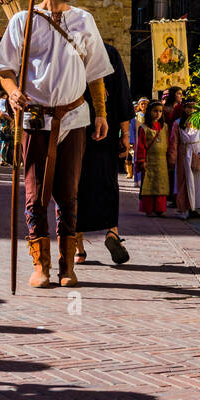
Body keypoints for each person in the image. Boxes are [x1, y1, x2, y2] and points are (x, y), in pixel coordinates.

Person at [0, 0, 112, 290]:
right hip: (35, 118)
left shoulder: (83, 20)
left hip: (73, 117)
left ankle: (67, 265)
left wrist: (100, 113)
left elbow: (96, 73)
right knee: (34, 195)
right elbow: (4, 69)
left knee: (69, 194)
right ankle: (40, 265)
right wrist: (14, 93)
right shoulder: (22, 20)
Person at [74, 42, 135, 267]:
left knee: (74, 186)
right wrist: (125, 134)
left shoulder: (70, 50)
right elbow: (122, 94)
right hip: (105, 129)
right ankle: (112, 233)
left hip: (75, 129)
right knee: (107, 182)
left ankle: (78, 247)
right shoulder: (109, 53)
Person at [168, 98, 200, 219]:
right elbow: (174, 142)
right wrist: (172, 158)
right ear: (184, 108)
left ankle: (199, 207)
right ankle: (184, 208)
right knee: (184, 182)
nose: (191, 110)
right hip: (184, 155)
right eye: (189, 107)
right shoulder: (177, 123)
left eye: (194, 107)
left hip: (198, 154)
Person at [135, 100, 170, 215]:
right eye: (155, 111)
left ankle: (160, 209)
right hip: (149, 161)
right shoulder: (144, 128)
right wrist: (141, 160)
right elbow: (141, 146)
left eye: (160, 111)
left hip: (162, 162)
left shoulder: (165, 127)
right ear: (149, 112)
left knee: (161, 185)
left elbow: (168, 143)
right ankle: (149, 209)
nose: (158, 114)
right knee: (149, 185)